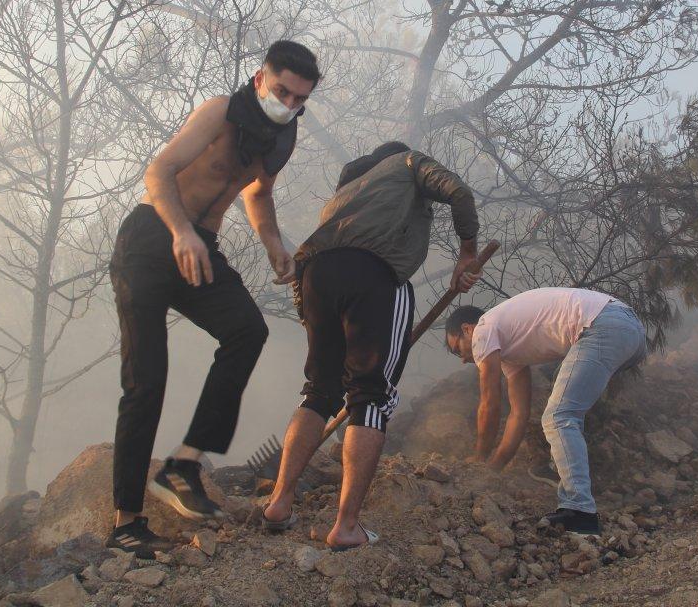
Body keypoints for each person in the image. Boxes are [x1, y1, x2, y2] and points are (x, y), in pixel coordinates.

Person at [106, 41, 319, 557]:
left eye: (298, 100)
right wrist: (181, 231)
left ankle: (183, 465)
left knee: (248, 330)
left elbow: (258, 194)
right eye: (281, 90)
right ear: (259, 77)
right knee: (146, 381)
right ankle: (125, 522)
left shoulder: (280, 137)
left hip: (202, 248)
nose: (287, 104)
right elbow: (158, 172)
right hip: (152, 238)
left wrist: (275, 246)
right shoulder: (219, 111)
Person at [261, 141, 480, 551]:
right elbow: (459, 192)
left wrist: (314, 319)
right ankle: (346, 527)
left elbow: (311, 276)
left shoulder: (344, 195)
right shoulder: (408, 162)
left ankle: (278, 503)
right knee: (371, 397)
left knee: (319, 391)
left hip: (315, 278)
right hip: (375, 276)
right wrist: (467, 253)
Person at [444, 288, 646, 536]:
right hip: (628, 329)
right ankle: (567, 483)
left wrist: (478, 459)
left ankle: (579, 511)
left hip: (604, 324)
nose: (463, 359)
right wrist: (493, 467)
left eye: (456, 349)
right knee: (564, 412)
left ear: (467, 329)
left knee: (559, 416)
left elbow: (490, 402)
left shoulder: (484, 327)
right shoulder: (510, 352)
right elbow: (518, 414)